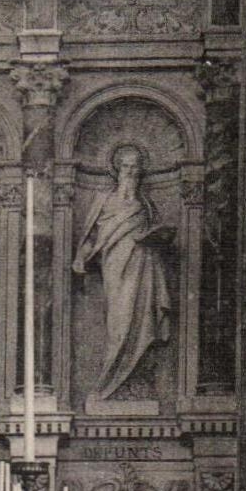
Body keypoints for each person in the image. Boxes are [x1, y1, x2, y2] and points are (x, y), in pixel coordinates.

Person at [73, 143, 172, 400]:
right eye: (125, 166)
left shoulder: (145, 204)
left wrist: (158, 238)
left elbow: (158, 233)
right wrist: (80, 258)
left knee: (142, 320)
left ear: (140, 170)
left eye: (134, 166)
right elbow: (91, 236)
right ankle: (109, 382)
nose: (130, 171)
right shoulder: (104, 200)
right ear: (117, 169)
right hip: (115, 266)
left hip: (143, 267)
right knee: (119, 320)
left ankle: (134, 381)